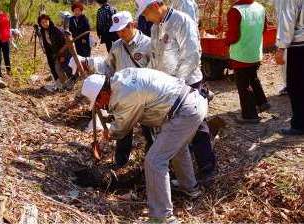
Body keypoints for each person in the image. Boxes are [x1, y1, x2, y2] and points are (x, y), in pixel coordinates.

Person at [81, 68, 208, 223]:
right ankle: (190, 188)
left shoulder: (125, 93)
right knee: (176, 149)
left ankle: (162, 217)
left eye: (98, 102)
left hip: (185, 111)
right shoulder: (121, 79)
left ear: (103, 93)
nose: (100, 106)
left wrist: (109, 134)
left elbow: (123, 127)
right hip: (190, 104)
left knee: (154, 161)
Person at [136, 0, 217, 184]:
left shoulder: (182, 21)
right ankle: (181, 173)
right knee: (173, 128)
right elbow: (156, 59)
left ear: (155, 6)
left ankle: (207, 167)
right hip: (167, 86)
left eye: (146, 13)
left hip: (187, 83)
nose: (145, 18)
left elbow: (192, 55)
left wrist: (177, 83)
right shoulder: (156, 28)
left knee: (197, 125)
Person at [70, 11, 153, 168]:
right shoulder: (116, 46)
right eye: (117, 31)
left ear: (132, 25)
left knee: (150, 130)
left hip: (146, 97)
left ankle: (150, 163)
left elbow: (156, 71)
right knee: (123, 132)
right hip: (123, 96)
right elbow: (108, 68)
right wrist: (89, 63)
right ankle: (120, 162)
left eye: (123, 30)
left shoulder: (148, 44)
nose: (120, 34)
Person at [226, 0, 270, 124]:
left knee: (243, 84)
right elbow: (264, 28)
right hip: (255, 51)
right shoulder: (260, 7)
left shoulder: (236, 10)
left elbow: (233, 36)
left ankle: (250, 115)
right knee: (253, 76)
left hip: (241, 54)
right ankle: (262, 102)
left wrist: (225, 41)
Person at [275, 0, 304, 135]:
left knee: (296, 86)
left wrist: (281, 47)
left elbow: (287, 21)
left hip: (299, 45)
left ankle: (299, 125)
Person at [38, 14, 74, 91]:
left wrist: (62, 56)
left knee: (67, 68)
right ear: (40, 24)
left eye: (46, 21)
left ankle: (72, 83)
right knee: (57, 69)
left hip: (64, 52)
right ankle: (64, 85)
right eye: (42, 22)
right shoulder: (43, 31)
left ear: (49, 21)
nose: (45, 24)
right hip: (55, 53)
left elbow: (64, 43)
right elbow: (47, 45)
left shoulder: (55, 30)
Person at [0, 5, 11, 78]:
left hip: (5, 38)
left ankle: (8, 71)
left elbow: (8, 26)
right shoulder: (4, 16)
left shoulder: (5, 16)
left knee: (6, 56)